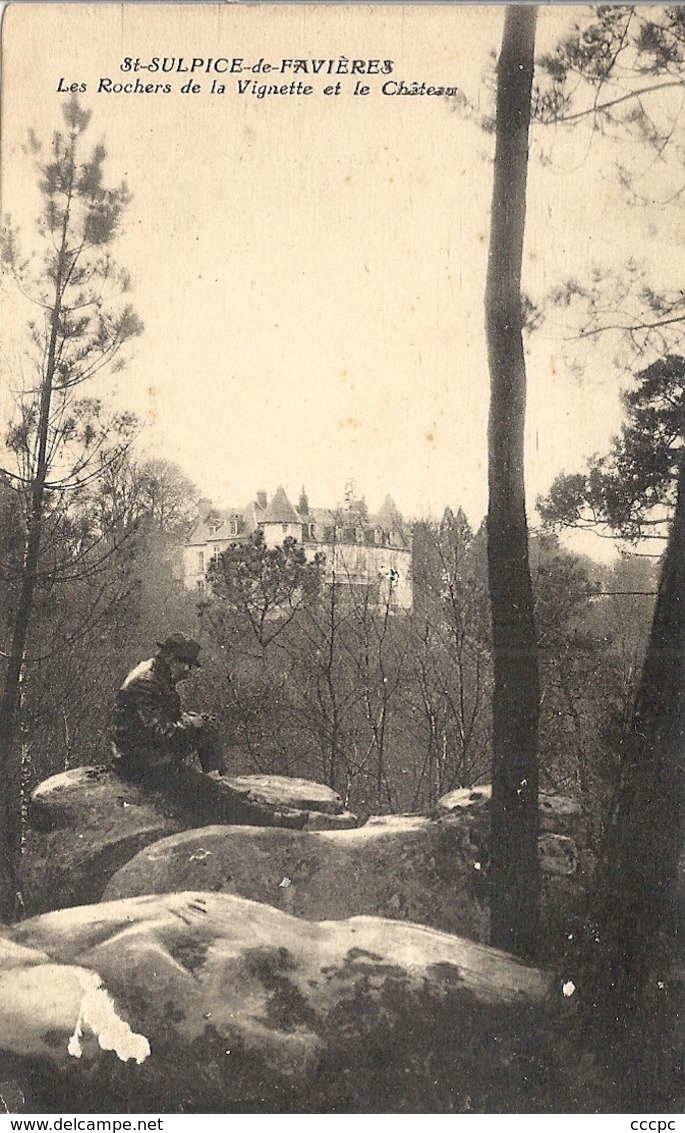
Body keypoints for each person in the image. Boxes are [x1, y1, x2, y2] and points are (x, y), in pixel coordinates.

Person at [111, 633, 225, 783]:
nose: (187, 669)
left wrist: (188, 719)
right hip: (135, 757)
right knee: (204, 730)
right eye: (185, 663)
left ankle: (214, 778)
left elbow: (161, 717)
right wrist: (191, 724)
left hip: (143, 749)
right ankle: (214, 784)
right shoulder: (146, 682)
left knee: (206, 724)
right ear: (171, 659)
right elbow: (156, 730)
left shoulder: (158, 676)